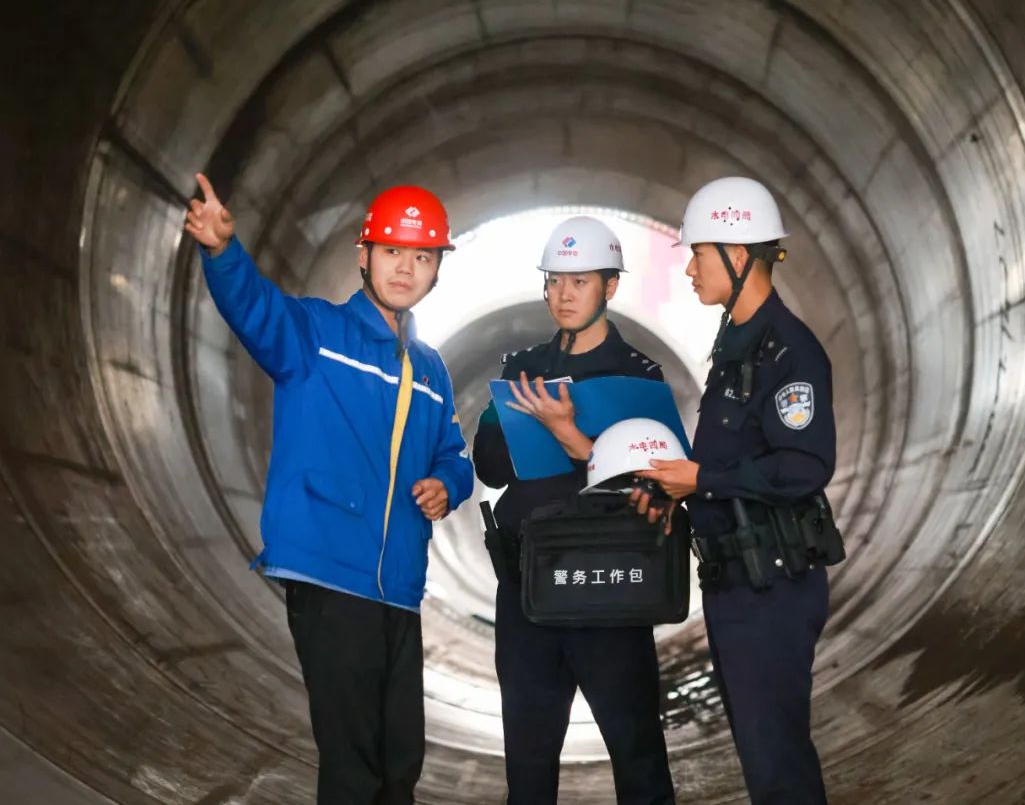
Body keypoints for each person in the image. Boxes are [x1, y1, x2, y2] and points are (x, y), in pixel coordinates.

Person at [185, 174, 474, 805]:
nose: (406, 268)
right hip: (331, 578)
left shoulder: (430, 370)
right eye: (392, 251)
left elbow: (454, 454)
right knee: (352, 766)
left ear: (437, 269)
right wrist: (222, 251)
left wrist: (447, 485)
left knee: (400, 760)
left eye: (423, 256)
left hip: (398, 588)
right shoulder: (316, 333)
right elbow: (255, 308)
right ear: (364, 255)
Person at [634, 177, 844, 805]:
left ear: (737, 254)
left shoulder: (790, 353)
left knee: (778, 764)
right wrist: (678, 492)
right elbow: (732, 460)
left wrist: (701, 479)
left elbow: (804, 466)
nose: (690, 269)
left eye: (698, 254)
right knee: (763, 757)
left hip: (773, 589)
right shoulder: (735, 349)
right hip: (736, 585)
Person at [472, 216, 677, 805]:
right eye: (555, 281)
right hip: (529, 590)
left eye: (580, 281)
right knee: (528, 764)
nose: (563, 294)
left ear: (610, 286)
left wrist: (570, 433)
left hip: (610, 588)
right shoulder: (520, 370)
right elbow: (490, 468)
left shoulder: (640, 378)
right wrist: (512, 419)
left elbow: (656, 487)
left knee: (637, 755)